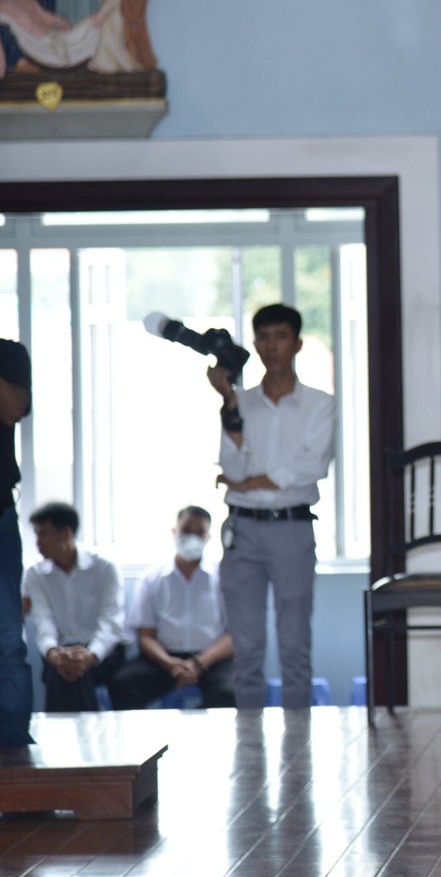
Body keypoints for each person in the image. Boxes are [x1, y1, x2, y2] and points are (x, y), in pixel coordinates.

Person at [208, 303, 334, 711]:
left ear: (297, 344)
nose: (271, 346)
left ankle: (298, 738)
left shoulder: (320, 404)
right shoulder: (240, 402)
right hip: (242, 528)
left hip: (291, 528)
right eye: (263, 338)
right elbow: (231, 466)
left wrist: (249, 482)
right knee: (245, 647)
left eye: (280, 337)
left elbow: (311, 466)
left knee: (295, 644)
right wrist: (228, 400)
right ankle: (249, 738)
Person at [110, 506, 234, 710]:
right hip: (163, 659)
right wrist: (169, 663)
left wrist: (199, 663)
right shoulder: (152, 578)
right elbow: (145, 636)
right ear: (174, 532)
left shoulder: (224, 577)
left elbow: (234, 635)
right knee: (123, 684)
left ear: (208, 537)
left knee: (230, 693)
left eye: (199, 532)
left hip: (212, 660)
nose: (192, 537)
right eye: (186, 530)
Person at [22, 503, 126, 713]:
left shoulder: (105, 568)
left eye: (43, 534)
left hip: (104, 651)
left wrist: (90, 656)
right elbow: (43, 621)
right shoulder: (35, 574)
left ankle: (67, 732)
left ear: (66, 533)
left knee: (75, 675)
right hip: (60, 650)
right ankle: (87, 731)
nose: (38, 543)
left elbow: (110, 622)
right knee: (63, 673)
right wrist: (53, 652)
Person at [0, 340, 32, 743]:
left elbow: (12, 409)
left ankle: (12, 753)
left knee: (7, 641)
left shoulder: (9, 355)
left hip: (0, 518)